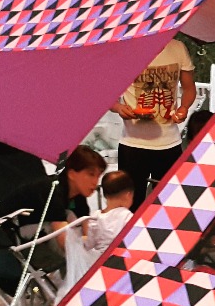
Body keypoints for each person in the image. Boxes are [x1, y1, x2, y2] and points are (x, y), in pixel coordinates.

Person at [114, 39, 195, 207]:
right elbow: (105, 90)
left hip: (170, 143)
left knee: (169, 205)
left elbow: (189, 88)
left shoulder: (178, 47)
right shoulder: (125, 49)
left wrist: (184, 108)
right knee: (130, 207)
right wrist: (118, 107)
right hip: (133, 144)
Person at [32, 145, 104, 274]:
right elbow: (64, 241)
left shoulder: (78, 194)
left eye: (98, 176)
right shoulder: (53, 190)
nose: (95, 182)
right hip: (15, 238)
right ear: (72, 174)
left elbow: (86, 228)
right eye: (91, 174)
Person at [66, 170, 134, 285]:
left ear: (105, 195)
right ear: (128, 195)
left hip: (99, 264)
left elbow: (89, 244)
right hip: (122, 264)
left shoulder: (95, 217)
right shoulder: (127, 216)